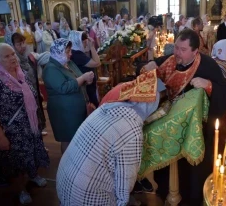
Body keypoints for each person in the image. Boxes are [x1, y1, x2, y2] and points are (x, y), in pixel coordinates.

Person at [141, 28, 226, 205]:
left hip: (196, 129)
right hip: (169, 121)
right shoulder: (171, 59)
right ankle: (167, 191)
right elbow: (148, 67)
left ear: (195, 51)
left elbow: (225, 93)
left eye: (182, 50)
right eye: (176, 48)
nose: (177, 53)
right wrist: (147, 66)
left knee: (191, 176)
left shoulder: (207, 65)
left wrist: (208, 85)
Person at [56, 70, 162, 206]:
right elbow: (125, 183)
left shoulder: (107, 107)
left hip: (63, 184)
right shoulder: (132, 129)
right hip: (85, 198)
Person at [0, 43, 49, 205]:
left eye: (13, 54)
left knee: (33, 153)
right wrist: (0, 137)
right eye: (7, 56)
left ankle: (34, 175)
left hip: (31, 126)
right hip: (13, 132)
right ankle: (21, 189)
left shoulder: (22, 74)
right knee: (17, 162)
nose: (13, 57)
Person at [42, 38, 94, 153]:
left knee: (77, 137)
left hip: (75, 109)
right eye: (67, 51)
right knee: (68, 140)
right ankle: (66, 165)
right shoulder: (51, 68)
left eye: (70, 50)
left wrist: (86, 80)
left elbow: (78, 77)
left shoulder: (67, 62)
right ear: (58, 51)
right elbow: (64, 87)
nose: (70, 54)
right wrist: (83, 78)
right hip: (64, 112)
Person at [11, 33, 47, 136]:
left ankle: (38, 133)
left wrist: (38, 91)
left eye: (23, 42)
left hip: (34, 91)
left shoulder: (28, 57)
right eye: (18, 44)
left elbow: (34, 77)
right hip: (25, 97)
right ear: (13, 46)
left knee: (38, 114)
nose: (22, 46)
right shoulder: (14, 62)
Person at [69, 30, 101, 107]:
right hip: (87, 86)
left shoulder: (76, 51)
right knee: (93, 106)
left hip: (87, 83)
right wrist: (92, 47)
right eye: (84, 42)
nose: (86, 44)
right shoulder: (77, 54)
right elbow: (97, 63)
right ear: (78, 41)